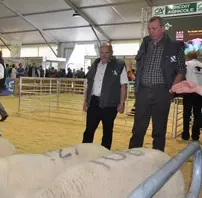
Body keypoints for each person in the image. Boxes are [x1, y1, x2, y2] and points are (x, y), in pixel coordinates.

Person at [128, 16, 186, 152]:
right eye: (149, 29)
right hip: (143, 91)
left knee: (159, 129)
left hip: (162, 92)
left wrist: (171, 90)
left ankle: (158, 157)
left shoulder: (175, 46)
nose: (150, 31)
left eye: (154, 28)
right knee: (138, 128)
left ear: (163, 28)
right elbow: (139, 62)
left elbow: (181, 70)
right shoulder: (146, 42)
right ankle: (132, 155)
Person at [82, 43, 128, 150]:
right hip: (94, 102)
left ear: (111, 52)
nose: (104, 55)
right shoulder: (95, 64)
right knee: (89, 129)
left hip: (110, 104)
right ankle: (84, 151)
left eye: (107, 52)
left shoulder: (119, 65)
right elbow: (89, 84)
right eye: (102, 53)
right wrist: (86, 101)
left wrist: (122, 103)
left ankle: (105, 153)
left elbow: (123, 85)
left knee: (107, 130)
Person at [181, 51, 202, 141]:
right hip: (199, 92)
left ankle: (185, 134)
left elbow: (181, 75)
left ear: (188, 57)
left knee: (187, 113)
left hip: (188, 91)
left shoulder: (186, 64)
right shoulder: (201, 64)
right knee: (197, 114)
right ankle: (195, 135)